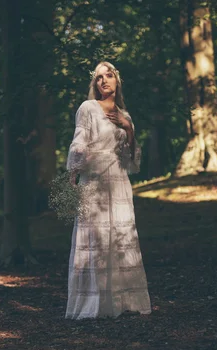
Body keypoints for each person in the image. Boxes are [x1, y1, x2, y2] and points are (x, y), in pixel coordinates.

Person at [65, 61, 151, 319]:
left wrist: (128, 128)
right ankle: (96, 306)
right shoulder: (88, 108)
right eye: (99, 77)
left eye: (109, 75)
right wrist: (73, 174)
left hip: (119, 180)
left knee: (121, 236)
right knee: (95, 240)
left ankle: (124, 302)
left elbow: (132, 161)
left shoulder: (126, 115)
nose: (104, 80)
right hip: (95, 180)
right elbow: (80, 140)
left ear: (116, 81)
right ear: (95, 84)